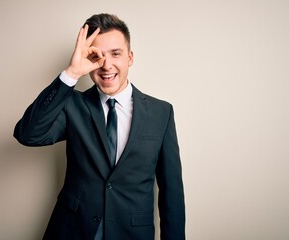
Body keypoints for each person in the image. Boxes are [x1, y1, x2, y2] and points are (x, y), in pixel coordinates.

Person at [14, 13, 185, 240]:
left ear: (130, 57)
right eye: (97, 56)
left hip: (132, 233)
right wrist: (72, 72)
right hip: (73, 231)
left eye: (116, 54)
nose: (106, 65)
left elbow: (171, 192)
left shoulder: (161, 113)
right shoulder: (72, 104)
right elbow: (28, 134)